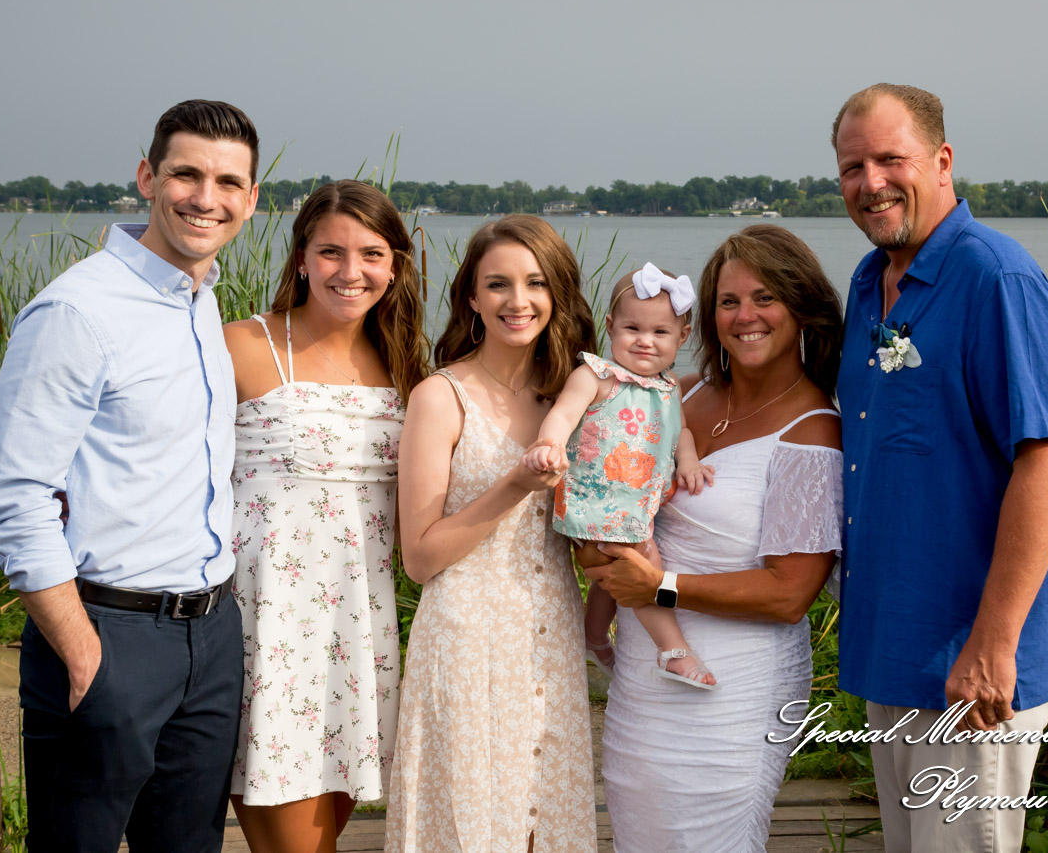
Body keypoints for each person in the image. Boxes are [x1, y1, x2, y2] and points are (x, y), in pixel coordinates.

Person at [0, 100, 259, 851]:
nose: (207, 197)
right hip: (109, 631)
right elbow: (14, 500)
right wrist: (80, 649)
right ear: (147, 177)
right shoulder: (77, 310)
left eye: (229, 181)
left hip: (210, 634)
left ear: (251, 199)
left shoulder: (200, 300)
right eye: (187, 174)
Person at [830, 83, 1048, 853]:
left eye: (889, 159)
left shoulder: (995, 279)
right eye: (851, 167)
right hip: (897, 645)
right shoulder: (867, 285)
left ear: (942, 161)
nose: (870, 183)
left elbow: (1046, 462)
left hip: (972, 658)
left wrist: (993, 643)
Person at [584, 225, 844, 852]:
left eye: (765, 297)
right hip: (646, 678)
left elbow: (789, 595)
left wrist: (659, 587)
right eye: (728, 301)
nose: (745, 316)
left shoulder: (813, 431)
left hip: (735, 688)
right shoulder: (679, 392)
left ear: (802, 307)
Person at [222, 180, 428, 852]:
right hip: (268, 629)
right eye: (331, 251)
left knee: (324, 835)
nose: (351, 271)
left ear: (394, 264)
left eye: (371, 253)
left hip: (357, 629)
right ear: (302, 257)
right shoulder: (240, 346)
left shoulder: (406, 364)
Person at [384, 215, 598, 852]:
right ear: (472, 298)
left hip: (551, 635)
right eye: (498, 284)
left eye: (535, 283)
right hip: (466, 640)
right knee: (471, 823)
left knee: (544, 820)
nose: (518, 300)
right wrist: (514, 484)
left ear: (556, 293)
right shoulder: (440, 396)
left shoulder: (572, 395)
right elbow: (419, 559)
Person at [523, 262, 719, 689]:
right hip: (596, 501)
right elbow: (563, 413)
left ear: (682, 337)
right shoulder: (596, 376)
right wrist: (549, 445)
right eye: (633, 329)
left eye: (660, 333)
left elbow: (680, 430)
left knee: (611, 579)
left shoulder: (670, 389)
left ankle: (593, 637)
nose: (645, 341)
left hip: (634, 505)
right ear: (611, 327)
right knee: (643, 567)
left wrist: (688, 460)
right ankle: (673, 651)